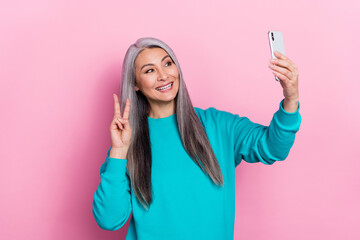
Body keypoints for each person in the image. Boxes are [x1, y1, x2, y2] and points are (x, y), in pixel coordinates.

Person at [92, 37, 301, 240]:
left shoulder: (219, 125)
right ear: (135, 84)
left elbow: (274, 148)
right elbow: (109, 220)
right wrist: (119, 152)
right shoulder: (127, 143)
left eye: (167, 63)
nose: (163, 75)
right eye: (149, 70)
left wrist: (291, 98)